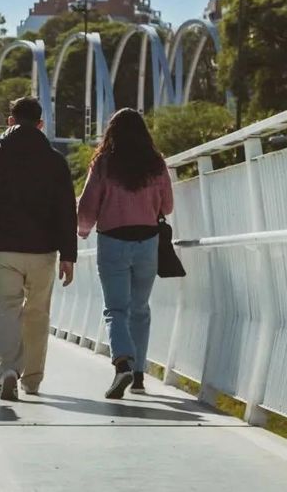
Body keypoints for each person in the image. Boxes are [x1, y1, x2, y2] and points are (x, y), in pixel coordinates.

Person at [0, 96, 77, 401]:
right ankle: (32, 379)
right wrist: (68, 255)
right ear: (41, 124)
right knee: (37, 313)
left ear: (10, 121)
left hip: (1, 248)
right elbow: (67, 211)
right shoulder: (55, 160)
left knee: (7, 309)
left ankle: (8, 370)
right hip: (43, 251)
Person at [76, 108, 173, 399]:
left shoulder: (104, 163)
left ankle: (122, 364)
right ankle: (139, 375)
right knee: (140, 308)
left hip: (113, 242)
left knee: (116, 309)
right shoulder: (156, 163)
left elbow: (88, 205)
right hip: (147, 242)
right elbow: (167, 206)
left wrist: (83, 230)